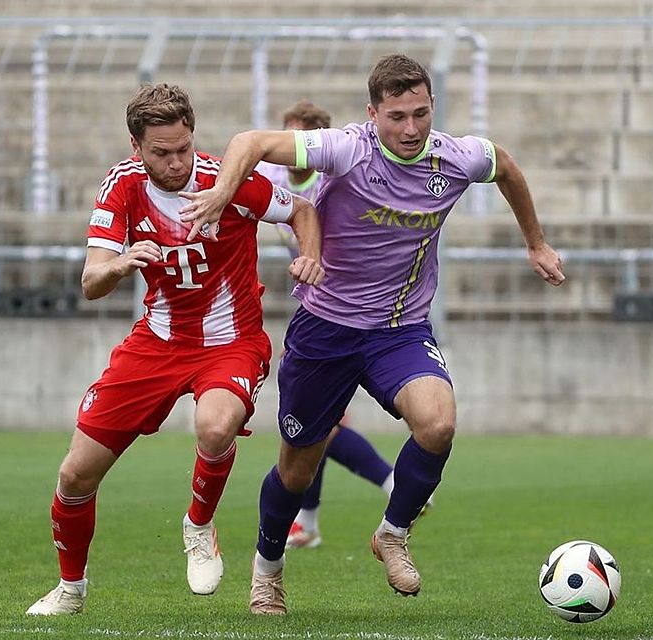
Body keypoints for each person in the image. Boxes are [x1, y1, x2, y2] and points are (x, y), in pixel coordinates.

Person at [180, 54, 565, 615]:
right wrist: (220, 193)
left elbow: (504, 164)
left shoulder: (454, 157)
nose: (410, 129)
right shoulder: (346, 148)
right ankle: (267, 571)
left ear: (432, 108)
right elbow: (249, 142)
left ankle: (393, 533)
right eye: (397, 117)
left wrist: (535, 241)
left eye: (421, 114)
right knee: (297, 467)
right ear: (372, 113)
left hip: (399, 329)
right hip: (325, 332)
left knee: (438, 422)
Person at [25, 83, 324, 616]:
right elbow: (91, 281)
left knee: (214, 425)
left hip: (231, 342)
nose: (175, 162)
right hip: (157, 343)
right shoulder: (122, 187)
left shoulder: (222, 181)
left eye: (183, 148)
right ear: (136, 147)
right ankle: (71, 589)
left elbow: (301, 209)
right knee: (75, 474)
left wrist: (310, 256)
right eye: (161, 152)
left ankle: (199, 524)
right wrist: (118, 264)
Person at [258, 100, 404, 550]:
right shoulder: (275, 180)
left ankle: (392, 483)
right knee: (316, 428)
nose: (288, 149)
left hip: (353, 314)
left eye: (297, 139)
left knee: (321, 428)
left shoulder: (333, 178)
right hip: (315, 308)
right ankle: (313, 520)